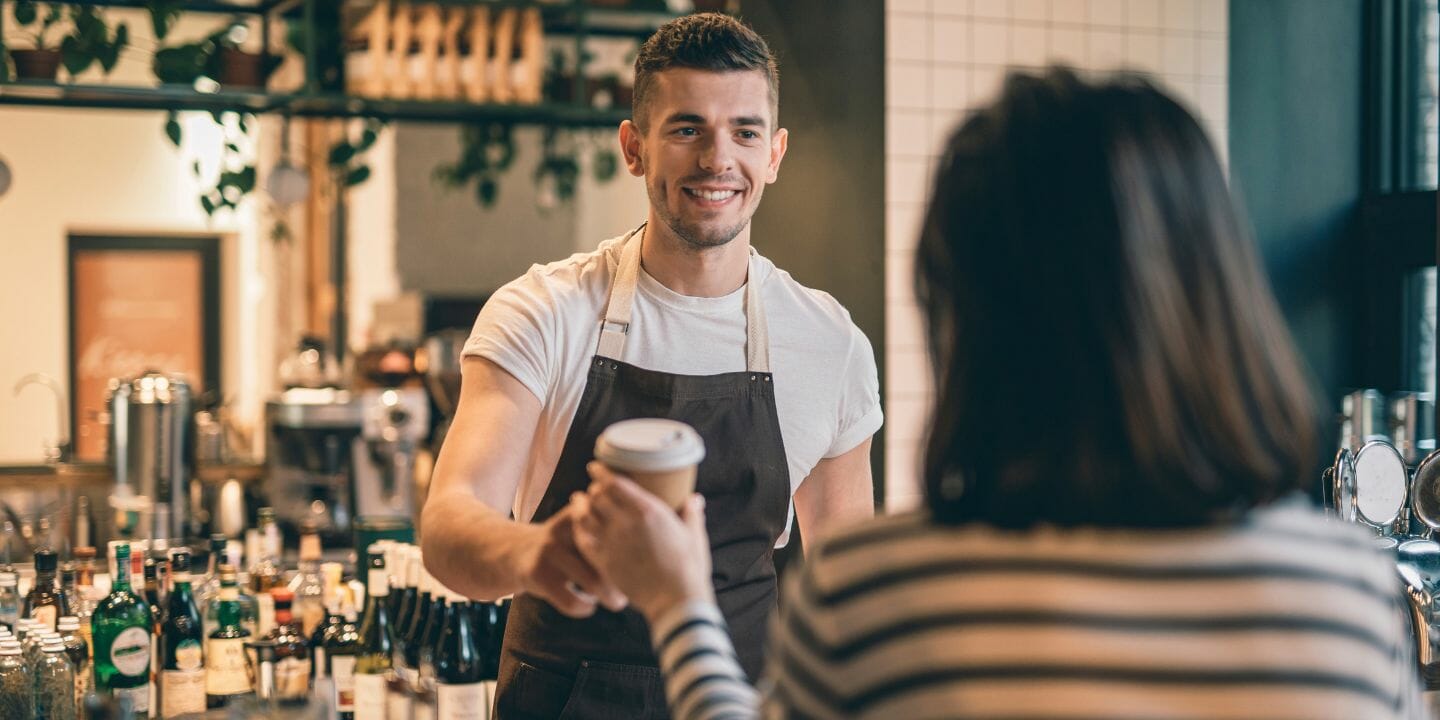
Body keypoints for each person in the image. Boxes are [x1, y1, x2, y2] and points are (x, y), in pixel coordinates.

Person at [571, 68, 1428, 719]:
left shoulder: (879, 594)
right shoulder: (1348, 596)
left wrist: (677, 601)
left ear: (965, 316)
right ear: (1222, 296)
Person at [421, 13, 883, 719]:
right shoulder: (544, 312)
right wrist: (536, 553)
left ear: (777, 153)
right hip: (559, 700)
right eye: (687, 128)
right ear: (634, 147)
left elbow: (845, 588)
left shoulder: (829, 343)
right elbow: (450, 527)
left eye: (746, 132)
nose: (718, 159)